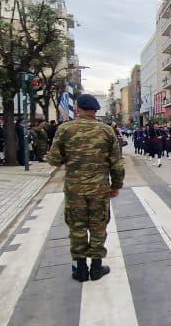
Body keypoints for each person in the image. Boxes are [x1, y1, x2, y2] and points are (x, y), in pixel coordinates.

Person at [46, 94, 125, 282]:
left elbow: (54, 160)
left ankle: (80, 269)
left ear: (78, 108)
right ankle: (96, 268)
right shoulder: (107, 131)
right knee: (98, 226)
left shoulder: (65, 129)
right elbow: (117, 164)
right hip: (99, 189)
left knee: (77, 227)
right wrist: (116, 186)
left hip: (75, 190)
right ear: (96, 110)